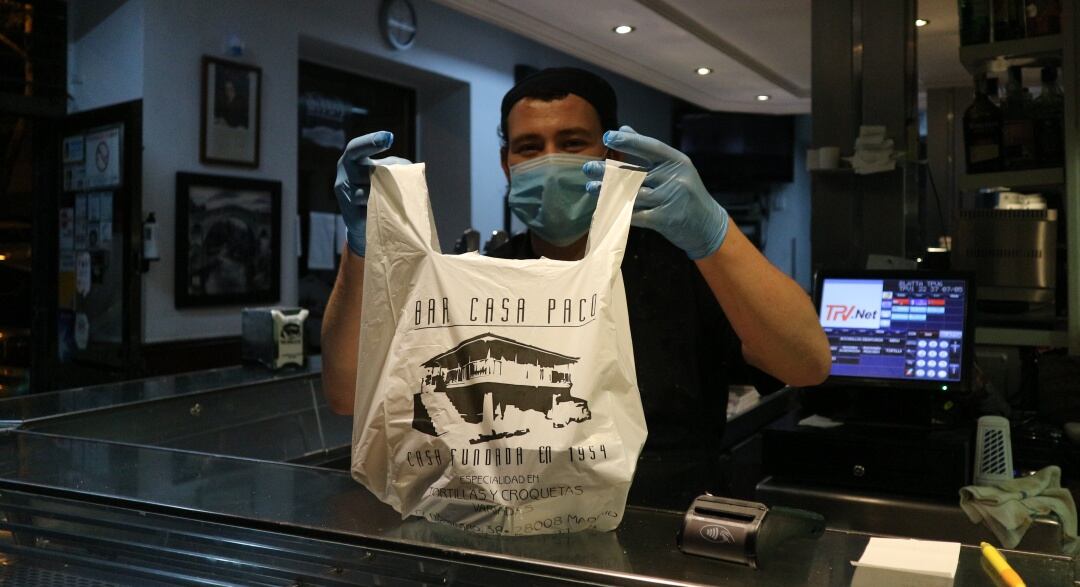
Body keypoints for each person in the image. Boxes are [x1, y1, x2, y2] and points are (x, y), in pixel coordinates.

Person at [321, 67, 830, 507]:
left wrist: (716, 234)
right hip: (517, 544)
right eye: (528, 147)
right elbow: (348, 394)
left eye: (571, 143)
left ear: (612, 153)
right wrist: (363, 246)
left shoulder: (682, 265)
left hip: (665, 542)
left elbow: (805, 363)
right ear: (506, 164)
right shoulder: (480, 277)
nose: (548, 161)